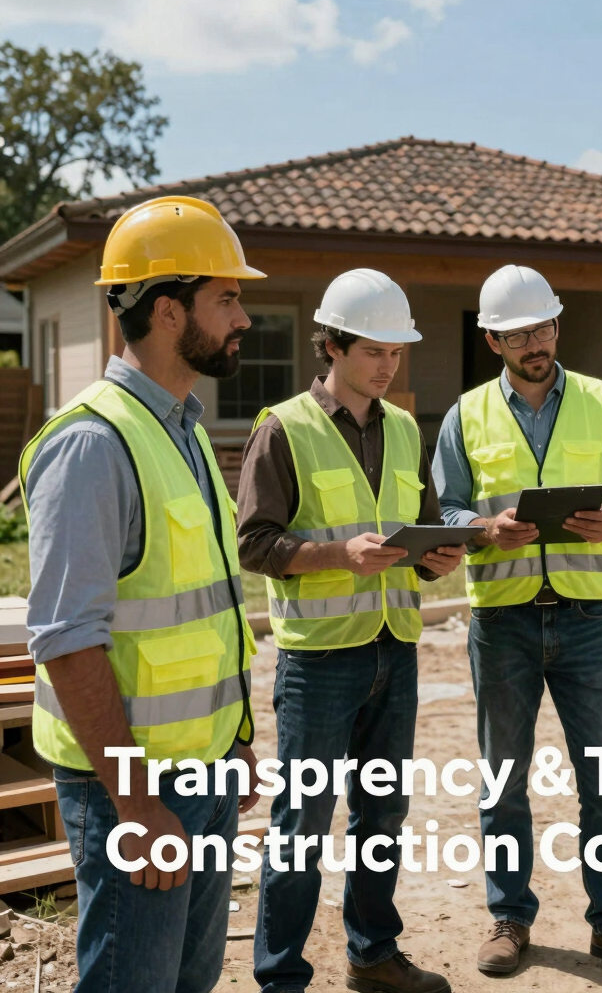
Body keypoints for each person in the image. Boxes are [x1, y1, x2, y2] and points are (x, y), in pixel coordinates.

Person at [19, 195, 264, 992]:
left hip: (202, 775)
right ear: (168, 310)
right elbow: (65, 637)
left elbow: (201, 609)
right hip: (137, 791)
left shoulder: (181, 426)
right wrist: (137, 803)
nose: (245, 319)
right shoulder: (94, 444)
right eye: (227, 298)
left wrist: (233, 742)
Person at [237, 268, 464, 993]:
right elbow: (254, 544)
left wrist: (439, 558)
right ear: (332, 345)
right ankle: (280, 979)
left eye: (397, 352)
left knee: (381, 817)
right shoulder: (284, 429)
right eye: (375, 350)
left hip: (394, 653)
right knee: (302, 826)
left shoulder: (403, 428)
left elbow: (419, 535)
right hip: (318, 665)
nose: (389, 365)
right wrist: (341, 555)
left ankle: (373, 955)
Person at [432, 264, 602, 975]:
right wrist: (483, 528)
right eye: (522, 333)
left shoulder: (601, 401)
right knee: (504, 778)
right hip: (503, 623)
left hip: (586, 620)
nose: (538, 342)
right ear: (493, 339)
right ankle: (508, 918)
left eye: (546, 326)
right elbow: (444, 509)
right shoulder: (464, 415)